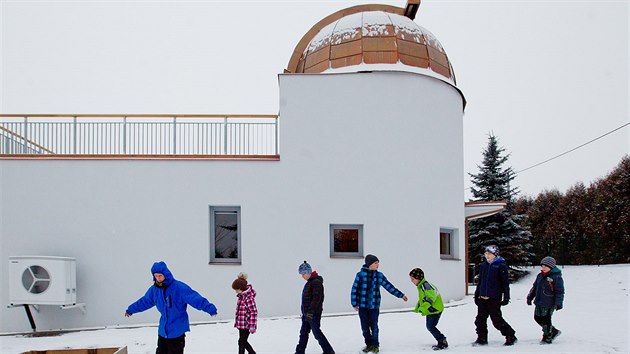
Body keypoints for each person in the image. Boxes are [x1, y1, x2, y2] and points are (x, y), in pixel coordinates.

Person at [125, 261, 218, 354]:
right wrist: (131, 309)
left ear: (166, 274)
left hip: (177, 332)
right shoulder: (154, 290)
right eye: (156, 276)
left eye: (160, 275)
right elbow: (144, 302)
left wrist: (209, 308)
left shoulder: (179, 287)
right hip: (163, 332)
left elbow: (194, 298)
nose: (158, 278)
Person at [351, 254, 408, 353]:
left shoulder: (379, 275)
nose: (378, 265)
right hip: (363, 306)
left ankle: (375, 345)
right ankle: (369, 345)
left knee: (374, 326)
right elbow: (354, 289)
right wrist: (354, 303)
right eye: (375, 263)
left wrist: (401, 295)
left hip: (374, 306)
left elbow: (389, 287)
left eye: (378, 263)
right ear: (369, 264)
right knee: (364, 327)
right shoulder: (360, 275)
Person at [473, 245, 517, 346]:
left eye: (489, 254)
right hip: (482, 297)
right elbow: (480, 282)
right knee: (480, 320)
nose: (487, 255)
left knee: (496, 320)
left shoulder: (500, 266)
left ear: (495, 255)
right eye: (486, 253)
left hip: (494, 298)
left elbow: (505, 283)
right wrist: (477, 294)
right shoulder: (484, 266)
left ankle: (510, 335)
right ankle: (482, 338)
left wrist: (506, 297)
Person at [295, 261, 335, 354]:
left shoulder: (316, 283)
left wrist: (310, 313)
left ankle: (329, 351)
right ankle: (299, 352)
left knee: (317, 333)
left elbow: (317, 299)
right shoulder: (309, 282)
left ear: (308, 272)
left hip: (313, 314)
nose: (302, 276)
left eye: (303, 273)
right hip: (306, 314)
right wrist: (305, 313)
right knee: (303, 333)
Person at [526, 256, 564, 344]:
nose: (543, 268)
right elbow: (535, 287)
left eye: (545, 266)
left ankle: (547, 336)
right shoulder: (540, 276)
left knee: (546, 319)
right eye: (542, 266)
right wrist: (530, 297)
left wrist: (558, 303)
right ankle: (553, 330)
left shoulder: (556, 277)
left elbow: (560, 292)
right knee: (537, 318)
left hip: (549, 303)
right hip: (539, 301)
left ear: (551, 267)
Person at [409, 268, 448, 350]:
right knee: (430, 326)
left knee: (430, 326)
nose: (411, 281)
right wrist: (418, 307)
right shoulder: (421, 285)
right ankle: (441, 340)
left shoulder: (425, 286)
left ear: (418, 278)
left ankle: (442, 341)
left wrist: (423, 308)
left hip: (435, 309)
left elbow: (431, 298)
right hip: (431, 309)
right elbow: (422, 299)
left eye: (413, 279)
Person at [232, 272, 258, 354]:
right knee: (242, 342)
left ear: (241, 288)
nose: (236, 292)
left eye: (237, 290)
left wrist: (252, 326)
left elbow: (253, 312)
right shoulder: (241, 296)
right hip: (241, 324)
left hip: (247, 324)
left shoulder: (248, 298)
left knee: (242, 342)